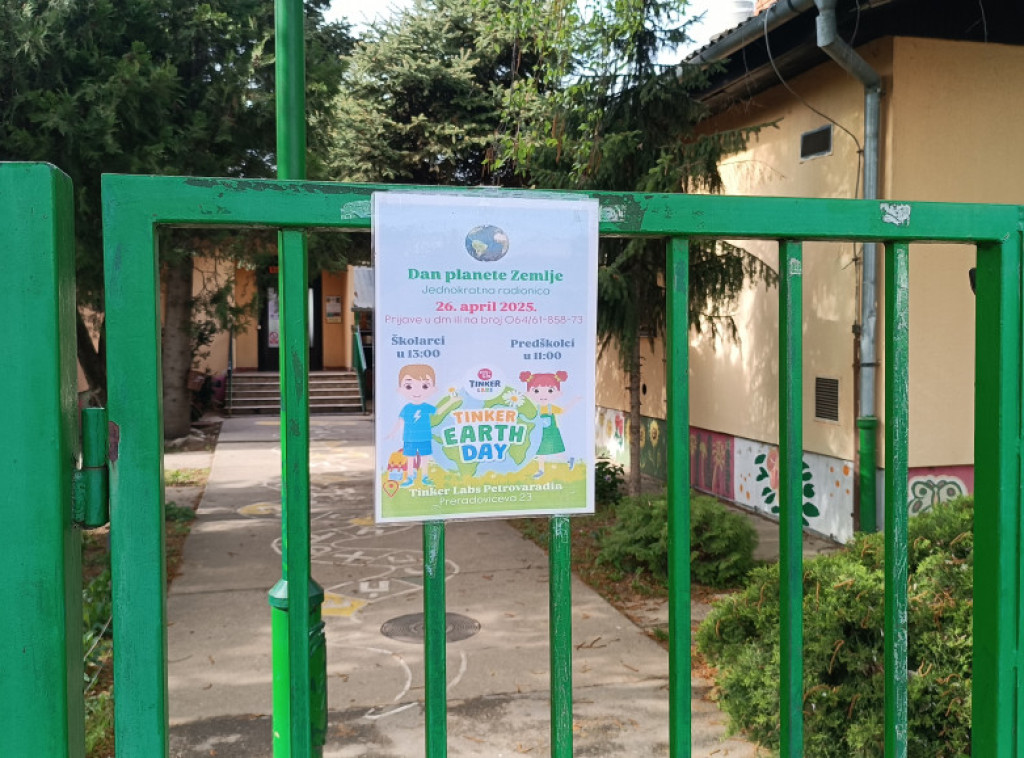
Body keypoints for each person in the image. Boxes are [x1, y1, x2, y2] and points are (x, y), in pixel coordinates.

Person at [520, 370, 580, 478]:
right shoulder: (535, 408)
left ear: (557, 392)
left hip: (551, 434)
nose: (543, 395)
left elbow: (563, 411)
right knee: (540, 453)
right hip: (540, 434)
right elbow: (529, 416)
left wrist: (574, 401)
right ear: (529, 393)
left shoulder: (551, 408)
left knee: (557, 452)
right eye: (536, 391)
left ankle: (568, 460)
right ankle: (541, 470)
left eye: (550, 390)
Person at [386, 364, 439, 487]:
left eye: (424, 386)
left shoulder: (427, 407)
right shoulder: (407, 408)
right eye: (409, 386)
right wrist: (393, 433)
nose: (417, 391)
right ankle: (410, 477)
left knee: (424, 457)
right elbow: (401, 421)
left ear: (433, 388)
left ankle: (425, 477)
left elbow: (439, 412)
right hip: (410, 438)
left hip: (424, 437)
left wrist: (451, 402)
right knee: (410, 458)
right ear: (400, 389)